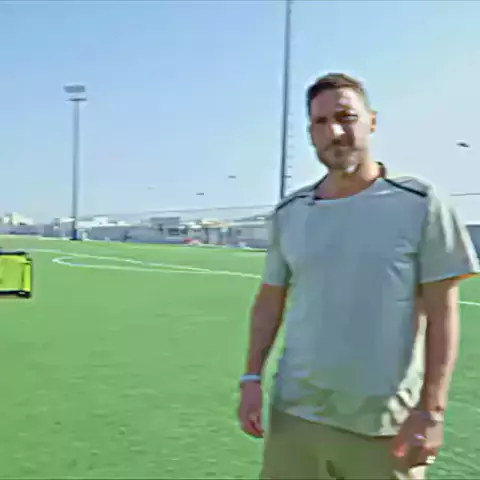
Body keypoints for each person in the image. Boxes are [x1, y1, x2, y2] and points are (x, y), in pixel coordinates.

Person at [237, 72, 479, 479]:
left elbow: (443, 313)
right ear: (310, 134)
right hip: (294, 417)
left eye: (346, 117)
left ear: (372, 121)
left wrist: (431, 411)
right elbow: (269, 300)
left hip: (384, 426)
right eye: (320, 122)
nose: (334, 132)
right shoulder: (289, 213)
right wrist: (250, 378)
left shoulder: (420, 202)